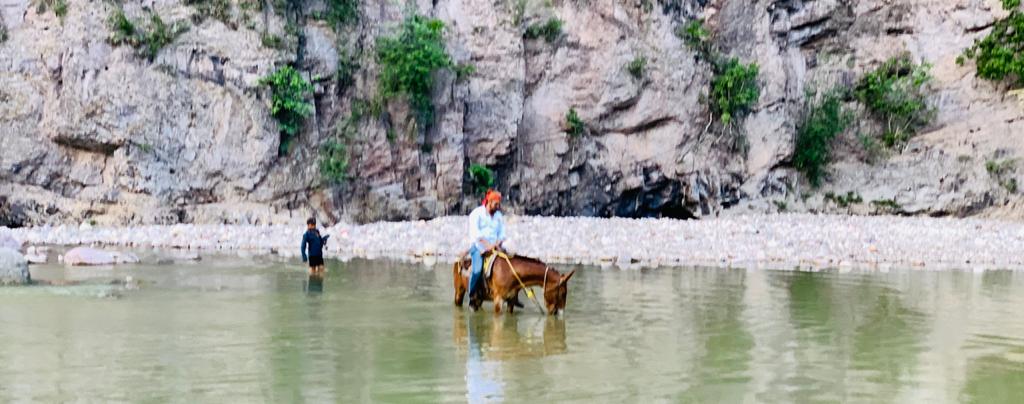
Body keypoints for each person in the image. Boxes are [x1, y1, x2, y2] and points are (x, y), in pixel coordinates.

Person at [467, 189, 506, 301]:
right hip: (479, 247)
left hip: (495, 247)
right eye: (496, 204)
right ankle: (471, 293)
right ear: (489, 202)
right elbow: (476, 233)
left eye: (499, 204)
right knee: (477, 270)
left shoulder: (498, 215)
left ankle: (511, 295)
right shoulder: (477, 214)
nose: (498, 206)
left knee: (511, 265)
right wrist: (488, 245)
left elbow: (502, 232)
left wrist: (497, 243)